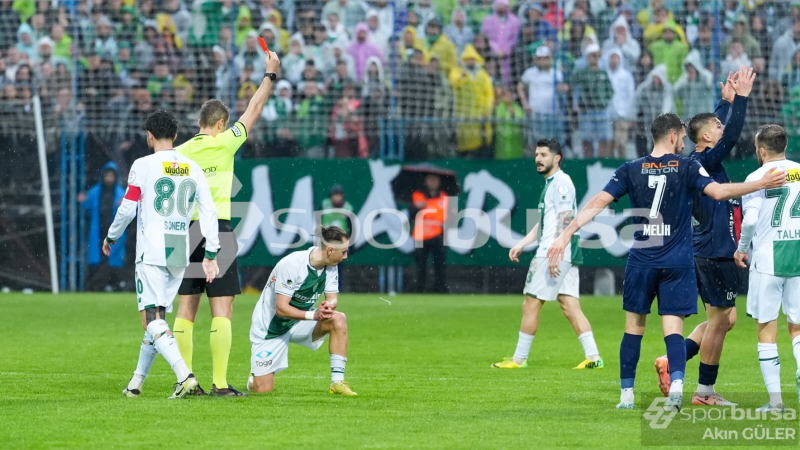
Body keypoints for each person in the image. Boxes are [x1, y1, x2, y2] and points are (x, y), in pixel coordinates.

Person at [547, 113, 787, 411]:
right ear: (673, 136)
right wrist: (760, 183)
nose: (684, 142)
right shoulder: (686, 166)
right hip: (676, 262)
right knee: (673, 330)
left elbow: (598, 202)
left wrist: (566, 234)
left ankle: (626, 396)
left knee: (633, 328)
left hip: (642, 260)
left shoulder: (630, 168)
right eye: (682, 137)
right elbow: (719, 192)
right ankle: (676, 389)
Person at [172, 49, 281, 397]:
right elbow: (256, 109)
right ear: (221, 124)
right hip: (217, 229)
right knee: (223, 306)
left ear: (199, 123)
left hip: (185, 230)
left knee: (186, 307)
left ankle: (186, 380)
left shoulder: (181, 152)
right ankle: (219, 383)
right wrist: (270, 75)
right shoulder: (225, 143)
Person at [653, 67, 755, 407]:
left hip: (710, 249)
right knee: (719, 321)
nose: (722, 128)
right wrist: (740, 99)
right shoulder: (705, 160)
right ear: (707, 138)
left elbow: (716, 128)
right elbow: (731, 135)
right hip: (713, 251)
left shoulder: (700, 158)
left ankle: (673, 359)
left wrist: (723, 104)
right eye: (716, 126)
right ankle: (705, 392)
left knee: (727, 319)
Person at [109, 109, 220, 399]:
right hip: (178, 248)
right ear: (175, 135)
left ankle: (185, 376)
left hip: (152, 248)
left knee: (151, 319)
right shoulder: (192, 166)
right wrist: (211, 250)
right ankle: (136, 383)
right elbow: (209, 210)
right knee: (156, 318)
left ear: (149, 135)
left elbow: (127, 207)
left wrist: (112, 235)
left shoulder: (143, 164)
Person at [492, 139, 603, 370]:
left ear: (557, 158)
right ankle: (594, 358)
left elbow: (565, 219)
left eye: (544, 154)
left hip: (553, 251)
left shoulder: (561, 183)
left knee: (530, 305)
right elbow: (545, 222)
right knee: (570, 306)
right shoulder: (552, 183)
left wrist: (555, 253)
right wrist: (521, 243)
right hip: (564, 250)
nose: (538, 159)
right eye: (536, 154)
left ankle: (519, 359)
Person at [734, 124, 800, 412]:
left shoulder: (755, 178)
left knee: (766, 327)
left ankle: (776, 402)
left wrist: (741, 248)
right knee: (797, 326)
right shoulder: (799, 171)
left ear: (761, 150)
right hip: (797, 255)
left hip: (768, 258)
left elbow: (748, 222)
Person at [247, 226, 356, 396]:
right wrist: (314, 314)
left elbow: (332, 298)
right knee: (263, 390)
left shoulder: (331, 266)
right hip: (270, 329)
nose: (346, 256)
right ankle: (255, 377)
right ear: (330, 250)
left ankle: (337, 382)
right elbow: (281, 309)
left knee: (338, 319)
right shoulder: (292, 264)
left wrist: (329, 306)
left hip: (299, 322)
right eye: (343, 252)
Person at [82, 161, 127, 292]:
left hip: (114, 231)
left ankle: (114, 285)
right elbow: (85, 206)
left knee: (113, 256)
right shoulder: (95, 191)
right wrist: (82, 201)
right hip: (98, 230)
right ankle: (99, 285)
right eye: (107, 175)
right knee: (99, 256)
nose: (109, 178)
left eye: (111, 176)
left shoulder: (121, 193)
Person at [571, 43, 613, 158]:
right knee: (586, 140)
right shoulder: (582, 73)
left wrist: (603, 101)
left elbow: (610, 90)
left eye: (597, 56)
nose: (596, 58)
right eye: (593, 55)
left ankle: (601, 160)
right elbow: (572, 84)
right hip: (587, 111)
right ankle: (588, 162)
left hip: (601, 110)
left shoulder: (603, 73)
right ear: (588, 57)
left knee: (604, 139)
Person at [413, 174, 449, 293]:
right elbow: (410, 213)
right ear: (425, 181)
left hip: (437, 235)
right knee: (421, 265)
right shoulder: (418, 196)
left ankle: (439, 289)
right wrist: (417, 208)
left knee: (439, 264)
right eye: (430, 180)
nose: (432, 182)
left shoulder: (444, 197)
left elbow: (449, 216)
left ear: (439, 182)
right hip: (420, 236)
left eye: (435, 180)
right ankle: (420, 289)